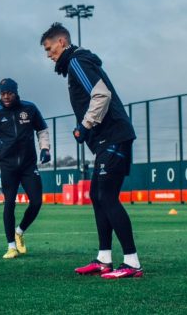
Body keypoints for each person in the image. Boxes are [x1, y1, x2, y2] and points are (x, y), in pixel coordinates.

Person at [40, 22, 143, 279]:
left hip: (114, 137)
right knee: (96, 196)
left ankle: (132, 263)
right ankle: (104, 259)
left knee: (107, 197)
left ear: (62, 42)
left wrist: (85, 125)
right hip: (107, 140)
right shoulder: (76, 63)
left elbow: (101, 95)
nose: (48, 54)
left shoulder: (76, 62)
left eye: (49, 48)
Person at [0, 78, 50, 259]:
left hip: (28, 165)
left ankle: (20, 231)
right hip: (7, 167)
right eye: (3, 93)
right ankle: (11, 247)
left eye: (9, 93)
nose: (6, 97)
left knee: (36, 202)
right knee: (9, 204)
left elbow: (42, 130)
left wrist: (45, 149)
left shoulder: (29, 109)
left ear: (16, 92)